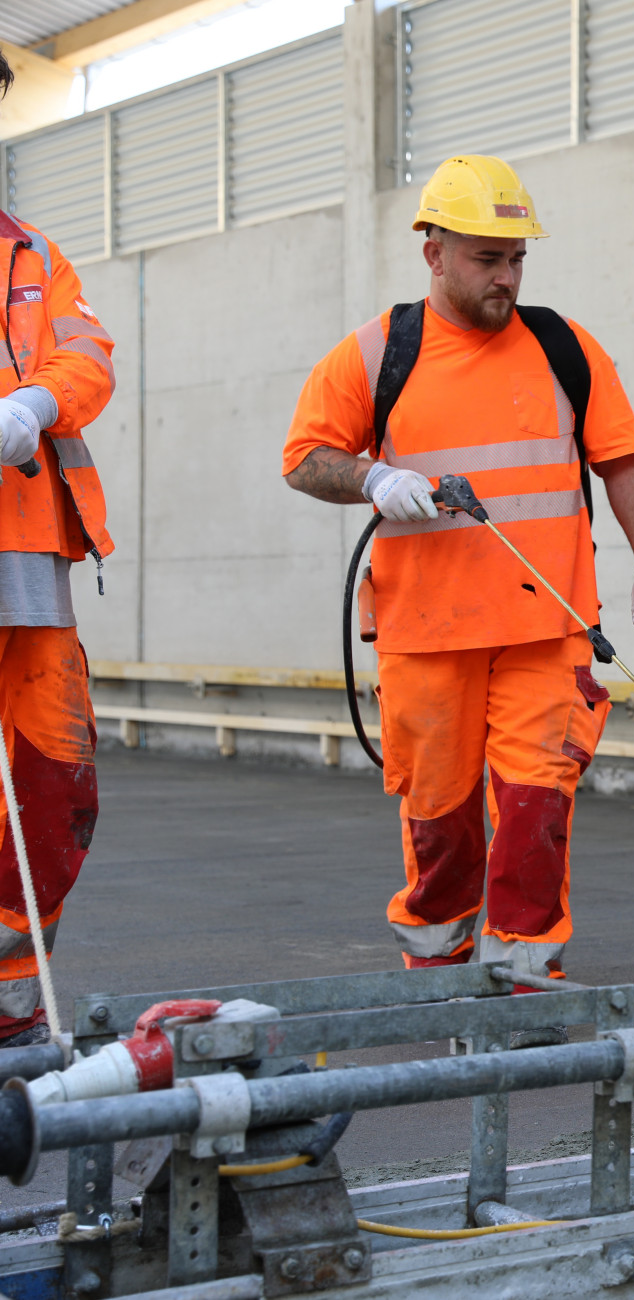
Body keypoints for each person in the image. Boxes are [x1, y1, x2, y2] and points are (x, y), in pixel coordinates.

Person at [283, 156, 634, 1007]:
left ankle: (528, 979)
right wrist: (373, 480)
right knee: (441, 819)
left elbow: (625, 463)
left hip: (548, 629)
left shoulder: (564, 347)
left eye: (517, 259)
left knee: (537, 808)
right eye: (486, 258)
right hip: (426, 634)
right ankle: (434, 964)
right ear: (433, 252)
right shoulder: (378, 351)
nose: (506, 276)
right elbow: (304, 459)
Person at [0, 52, 120, 1047]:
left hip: (30, 569)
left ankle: (8, 1002)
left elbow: (85, 352)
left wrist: (35, 402)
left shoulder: (33, 254)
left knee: (53, 785)